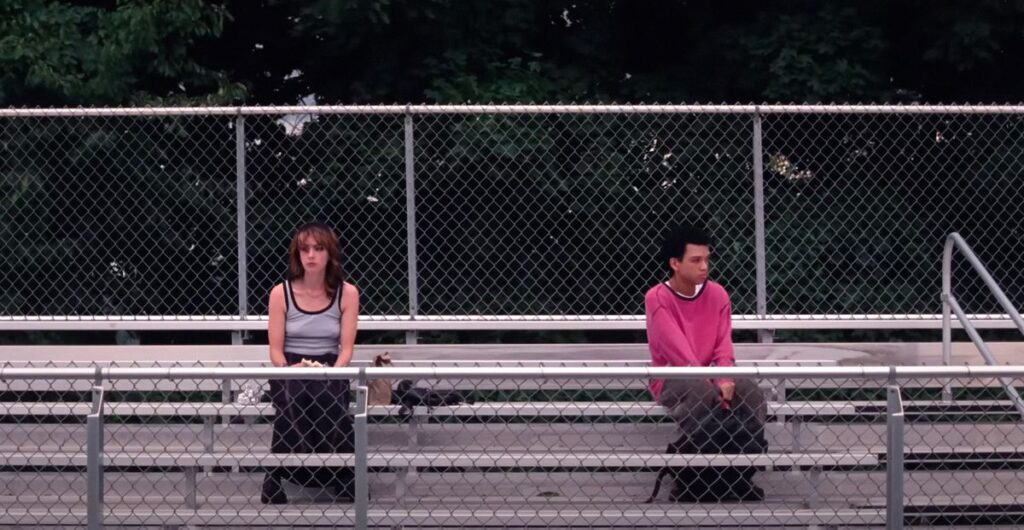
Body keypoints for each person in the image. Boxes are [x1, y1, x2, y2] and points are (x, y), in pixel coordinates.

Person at [261, 222, 360, 504]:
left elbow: (347, 349)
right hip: (291, 364)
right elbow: (275, 351)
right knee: (294, 395)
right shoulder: (280, 293)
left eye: (318, 248)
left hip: (330, 364)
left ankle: (341, 474)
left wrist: (335, 371)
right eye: (305, 249)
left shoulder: (348, 293)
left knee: (326, 396)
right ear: (297, 255)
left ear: (330, 253)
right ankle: (280, 475)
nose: (311, 255)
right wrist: (286, 370)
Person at [645, 222, 766, 443]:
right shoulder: (657, 297)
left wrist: (724, 378)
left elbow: (723, 345)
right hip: (673, 375)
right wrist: (715, 386)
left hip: (712, 373)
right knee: (701, 391)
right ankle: (695, 459)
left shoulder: (718, 294)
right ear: (675, 263)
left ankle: (749, 456)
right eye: (695, 260)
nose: (704, 266)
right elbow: (677, 352)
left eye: (706, 259)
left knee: (750, 391)